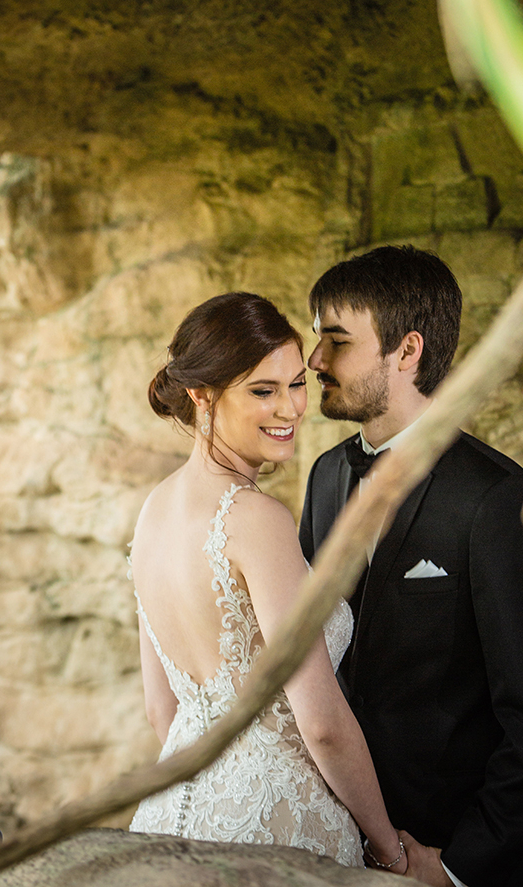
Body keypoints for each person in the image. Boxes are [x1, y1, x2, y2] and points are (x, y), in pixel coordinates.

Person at [299, 245, 523, 887]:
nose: (315, 360)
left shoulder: (497, 501)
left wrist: (455, 866)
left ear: (407, 351)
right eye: (318, 339)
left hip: (469, 860)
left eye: (336, 341)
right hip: (352, 847)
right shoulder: (324, 478)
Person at [128, 291, 408, 872]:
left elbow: (162, 709)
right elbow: (323, 723)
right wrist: (387, 847)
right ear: (201, 397)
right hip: (274, 827)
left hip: (169, 818)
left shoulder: (152, 511)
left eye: (295, 384)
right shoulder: (254, 520)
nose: (290, 408)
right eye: (262, 390)